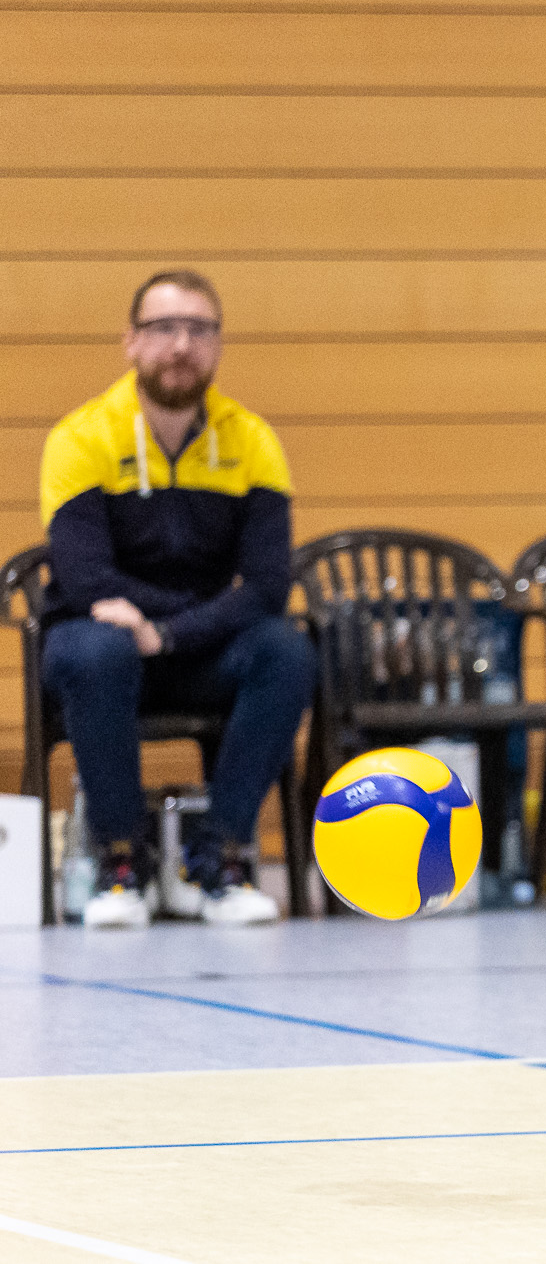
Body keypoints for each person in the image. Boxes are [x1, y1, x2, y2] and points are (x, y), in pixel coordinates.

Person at [40, 270, 315, 928]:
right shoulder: (80, 437)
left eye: (199, 329)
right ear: (131, 343)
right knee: (96, 648)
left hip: (195, 649)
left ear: (217, 346)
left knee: (288, 650)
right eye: (164, 328)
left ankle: (217, 858)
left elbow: (270, 585)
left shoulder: (253, 442)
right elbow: (84, 578)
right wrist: (149, 625)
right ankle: (120, 865)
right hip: (99, 645)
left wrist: (168, 632)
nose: (181, 345)